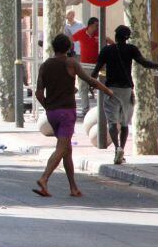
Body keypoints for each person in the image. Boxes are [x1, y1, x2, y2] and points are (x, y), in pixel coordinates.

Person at [33, 34, 113, 198]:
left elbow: (39, 94)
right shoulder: (71, 63)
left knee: (67, 151)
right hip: (66, 112)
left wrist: (48, 107)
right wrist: (107, 91)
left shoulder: (45, 65)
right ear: (69, 48)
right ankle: (44, 178)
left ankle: (73, 188)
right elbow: (90, 80)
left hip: (52, 114)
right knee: (61, 148)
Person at [91, 25, 158, 164]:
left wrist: (91, 84)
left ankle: (116, 148)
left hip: (110, 89)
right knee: (124, 123)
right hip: (126, 90)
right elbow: (146, 64)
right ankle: (121, 149)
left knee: (112, 122)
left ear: (116, 36)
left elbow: (95, 71)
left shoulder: (106, 50)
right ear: (127, 38)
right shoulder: (131, 49)